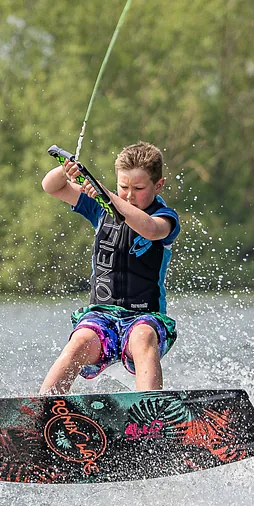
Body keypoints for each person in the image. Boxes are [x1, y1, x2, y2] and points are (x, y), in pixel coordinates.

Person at [39, 141, 180, 395]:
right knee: (78, 342)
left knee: (142, 337)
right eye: (123, 186)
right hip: (102, 317)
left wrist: (106, 194)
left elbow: (148, 229)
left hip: (144, 318)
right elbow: (51, 187)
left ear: (158, 185)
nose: (128, 195)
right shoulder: (99, 210)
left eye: (138, 188)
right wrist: (66, 170)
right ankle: (42, 411)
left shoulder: (165, 218)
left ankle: (150, 412)